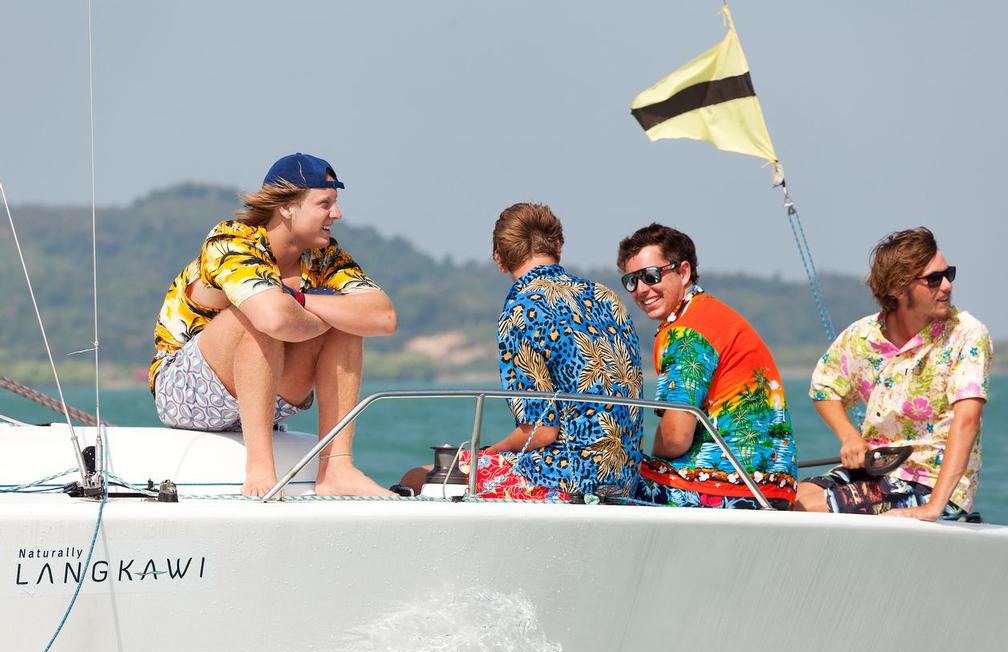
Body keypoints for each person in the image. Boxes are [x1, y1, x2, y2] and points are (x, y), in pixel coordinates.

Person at [149, 153, 398, 497]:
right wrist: (320, 308)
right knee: (255, 313)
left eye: (335, 203)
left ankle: (337, 468)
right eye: (325, 203)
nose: (336, 214)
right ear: (287, 207)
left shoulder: (324, 256)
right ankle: (260, 467)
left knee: (347, 320)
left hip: (265, 394)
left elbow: (383, 318)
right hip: (184, 392)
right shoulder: (231, 242)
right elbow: (272, 318)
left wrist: (303, 300)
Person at [404, 202, 644, 500]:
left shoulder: (521, 312)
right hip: (624, 478)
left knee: (417, 477)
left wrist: (490, 452)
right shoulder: (608, 298)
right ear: (558, 246)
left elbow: (541, 431)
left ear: (499, 259)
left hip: (567, 479)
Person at [795, 227, 991, 520]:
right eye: (934, 279)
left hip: (930, 486)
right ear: (897, 289)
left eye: (949, 273)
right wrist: (850, 437)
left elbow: (967, 422)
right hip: (875, 471)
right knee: (787, 498)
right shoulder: (861, 336)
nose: (947, 285)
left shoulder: (966, 334)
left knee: (808, 509)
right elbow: (824, 388)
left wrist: (932, 508)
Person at [617, 224, 798, 509]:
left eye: (651, 276)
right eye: (631, 281)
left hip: (723, 489)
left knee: (606, 477)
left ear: (684, 272)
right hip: (774, 488)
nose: (641, 290)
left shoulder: (686, 331)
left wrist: (650, 456)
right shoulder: (711, 313)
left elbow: (676, 437)